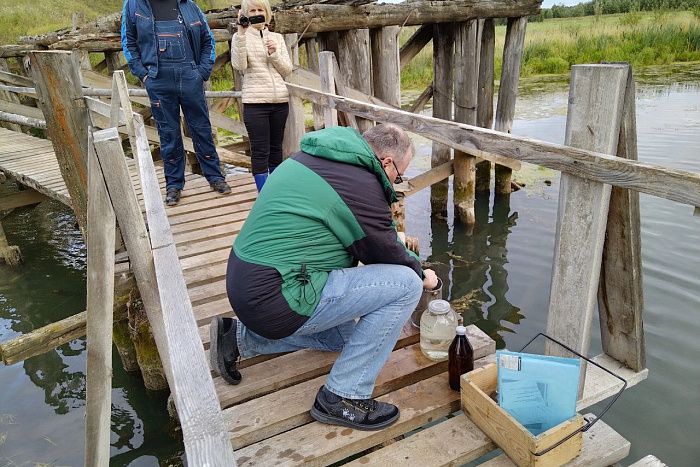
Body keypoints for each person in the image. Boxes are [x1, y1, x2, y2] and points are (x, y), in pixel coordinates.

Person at [210, 124, 439, 431]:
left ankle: (238, 337)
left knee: (344, 339)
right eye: (400, 173)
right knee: (406, 285)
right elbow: (382, 251)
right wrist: (422, 273)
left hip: (247, 282)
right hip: (277, 295)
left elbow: (372, 237)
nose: (398, 181)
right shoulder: (360, 183)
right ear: (386, 162)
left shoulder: (313, 156)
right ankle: (343, 397)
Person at [121, 0, 232, 206]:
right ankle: (173, 185)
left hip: (191, 77)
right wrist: (144, 76)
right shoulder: (133, 6)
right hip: (158, 79)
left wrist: (202, 72)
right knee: (168, 134)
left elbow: (208, 40)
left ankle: (215, 177)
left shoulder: (190, 5)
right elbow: (128, 43)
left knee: (202, 129)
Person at [230, 0, 293, 192]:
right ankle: (264, 195)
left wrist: (274, 54)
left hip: (280, 101)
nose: (257, 13)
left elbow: (287, 70)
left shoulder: (277, 37)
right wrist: (241, 33)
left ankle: (277, 191)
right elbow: (239, 66)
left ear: (267, 13)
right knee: (260, 151)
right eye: (253, 10)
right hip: (255, 103)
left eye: (260, 10)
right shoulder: (239, 37)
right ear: (245, 14)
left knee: (276, 149)